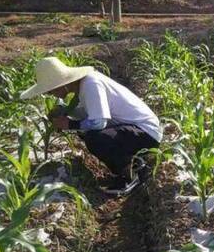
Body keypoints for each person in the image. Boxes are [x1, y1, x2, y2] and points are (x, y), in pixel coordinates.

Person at [21, 57, 162, 195]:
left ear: (60, 83)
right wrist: (66, 111)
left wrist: (69, 123)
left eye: (50, 90)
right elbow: (89, 113)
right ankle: (134, 162)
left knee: (95, 138)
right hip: (135, 131)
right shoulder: (84, 85)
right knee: (86, 132)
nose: (49, 94)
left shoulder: (90, 84)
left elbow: (99, 122)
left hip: (146, 133)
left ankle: (129, 176)